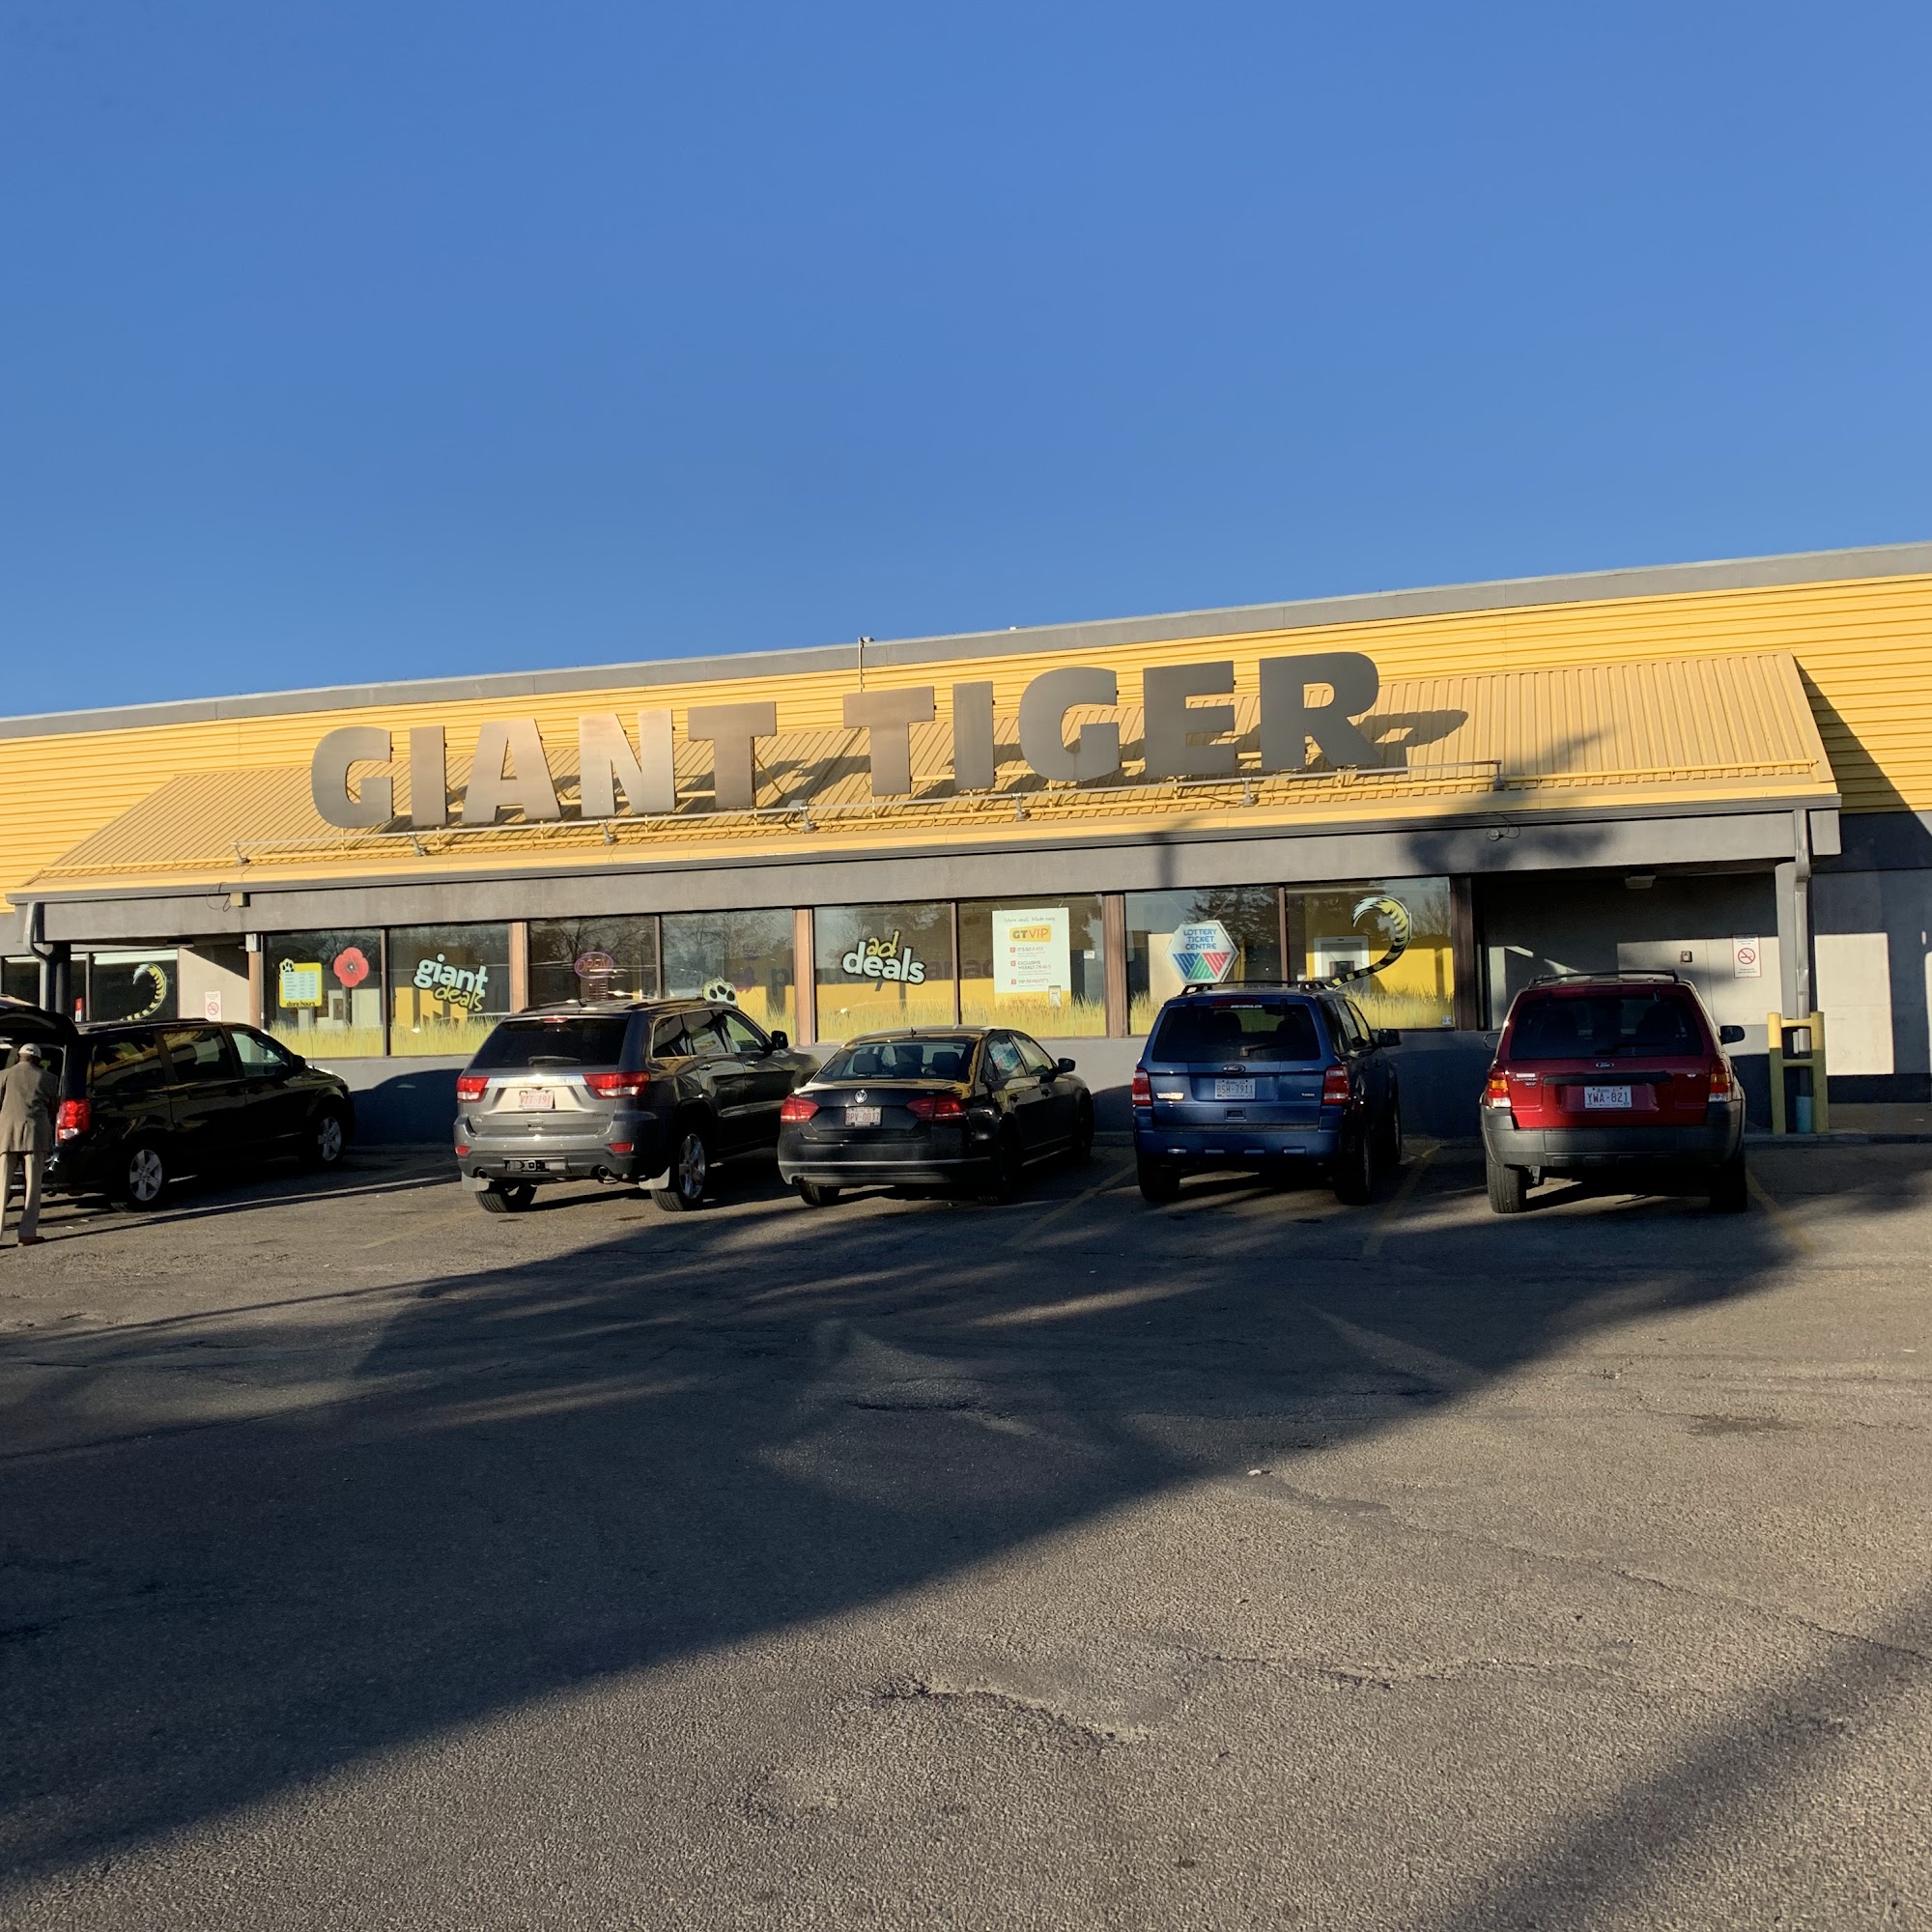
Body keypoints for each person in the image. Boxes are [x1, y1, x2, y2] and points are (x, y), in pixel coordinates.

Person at [0, 1040, 58, 1247]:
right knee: (33, 1186)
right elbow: (53, 1107)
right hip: (36, 1134)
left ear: (19, 1057)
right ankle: (27, 1233)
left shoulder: (4, 1075)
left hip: (6, 1134)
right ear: (38, 1060)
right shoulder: (49, 1078)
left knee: (1, 1185)